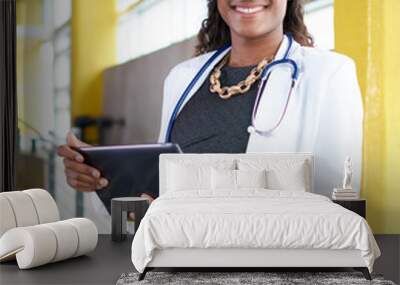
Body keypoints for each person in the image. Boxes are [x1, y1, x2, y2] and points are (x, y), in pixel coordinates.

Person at [57, 0, 363, 214]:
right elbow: (161, 186)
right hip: (179, 261)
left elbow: (335, 205)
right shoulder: (181, 78)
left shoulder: (329, 73)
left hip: (271, 267)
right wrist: (101, 175)